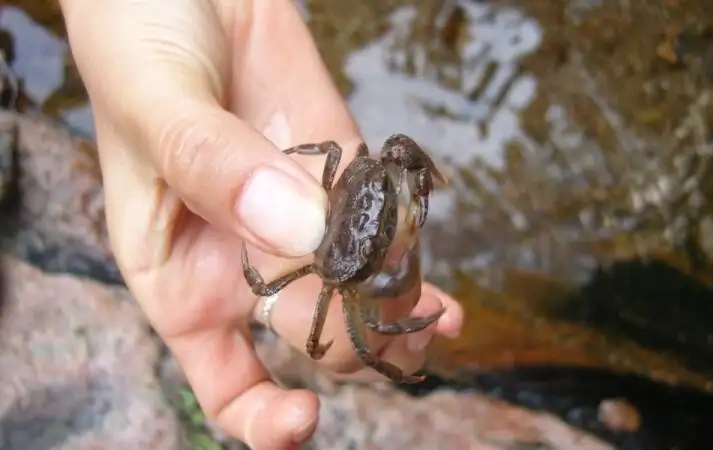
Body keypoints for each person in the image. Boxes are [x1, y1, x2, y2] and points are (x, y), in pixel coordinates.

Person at [59, 1, 465, 449]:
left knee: (380, 314)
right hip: (338, 266)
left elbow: (347, 150)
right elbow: (345, 336)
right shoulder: (330, 282)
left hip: (353, 215)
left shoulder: (369, 167)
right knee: (367, 339)